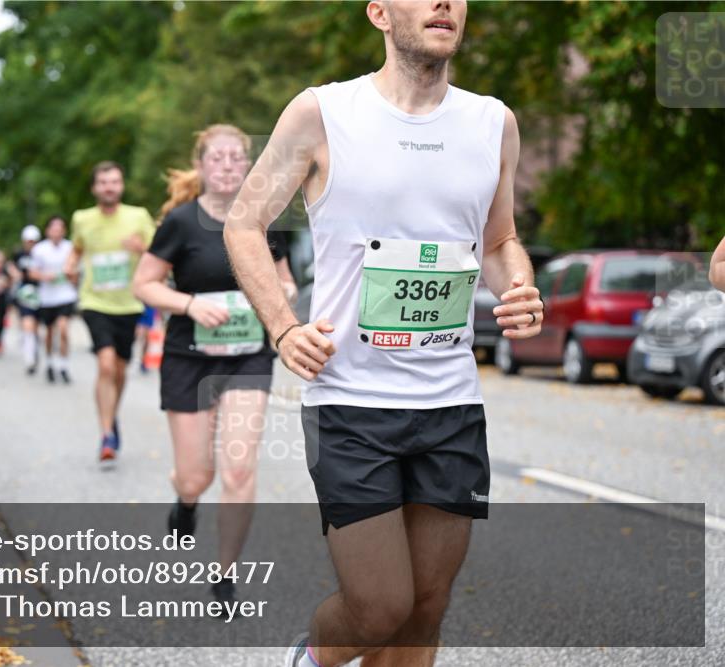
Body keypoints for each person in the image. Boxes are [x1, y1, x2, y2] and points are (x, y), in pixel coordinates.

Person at [223, 2, 545, 666]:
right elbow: (243, 223)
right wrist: (283, 328)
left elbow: (501, 238)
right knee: (379, 605)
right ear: (378, 13)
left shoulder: (494, 123)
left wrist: (517, 283)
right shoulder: (322, 114)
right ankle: (304, 660)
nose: (444, 3)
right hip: (351, 400)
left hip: (450, 401)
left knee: (426, 605)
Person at [133, 124, 297, 607]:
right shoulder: (181, 222)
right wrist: (189, 305)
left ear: (247, 165)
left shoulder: (265, 220)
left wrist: (280, 295)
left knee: (240, 468)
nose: (227, 166)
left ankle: (225, 575)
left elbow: (285, 280)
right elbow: (145, 284)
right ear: (201, 166)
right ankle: (186, 501)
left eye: (235, 158)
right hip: (189, 358)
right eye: (217, 158)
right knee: (196, 476)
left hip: (248, 356)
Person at [64, 161, 155, 463]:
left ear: (122, 186)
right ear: (94, 188)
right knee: (105, 364)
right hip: (95, 302)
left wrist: (140, 247)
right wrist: (69, 264)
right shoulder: (82, 219)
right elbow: (77, 248)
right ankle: (106, 434)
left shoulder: (138, 216)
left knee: (119, 370)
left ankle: (110, 416)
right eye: (103, 182)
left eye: (114, 181)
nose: (109, 187)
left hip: (129, 303)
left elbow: (161, 255)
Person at [30, 216, 78, 384]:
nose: (57, 232)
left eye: (60, 229)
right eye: (54, 229)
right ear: (48, 231)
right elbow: (32, 272)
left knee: (64, 330)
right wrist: (45, 276)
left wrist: (72, 275)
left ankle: (63, 365)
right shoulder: (39, 249)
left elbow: (76, 270)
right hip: (47, 298)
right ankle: (50, 363)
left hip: (66, 295)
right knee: (50, 333)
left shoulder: (70, 247)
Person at [8, 225, 43, 375]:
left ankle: (34, 351)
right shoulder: (19, 255)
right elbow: (11, 267)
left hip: (41, 294)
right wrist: (15, 273)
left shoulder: (42, 254)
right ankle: (29, 359)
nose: (31, 244)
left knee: (35, 327)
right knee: (27, 324)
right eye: (28, 241)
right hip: (24, 294)